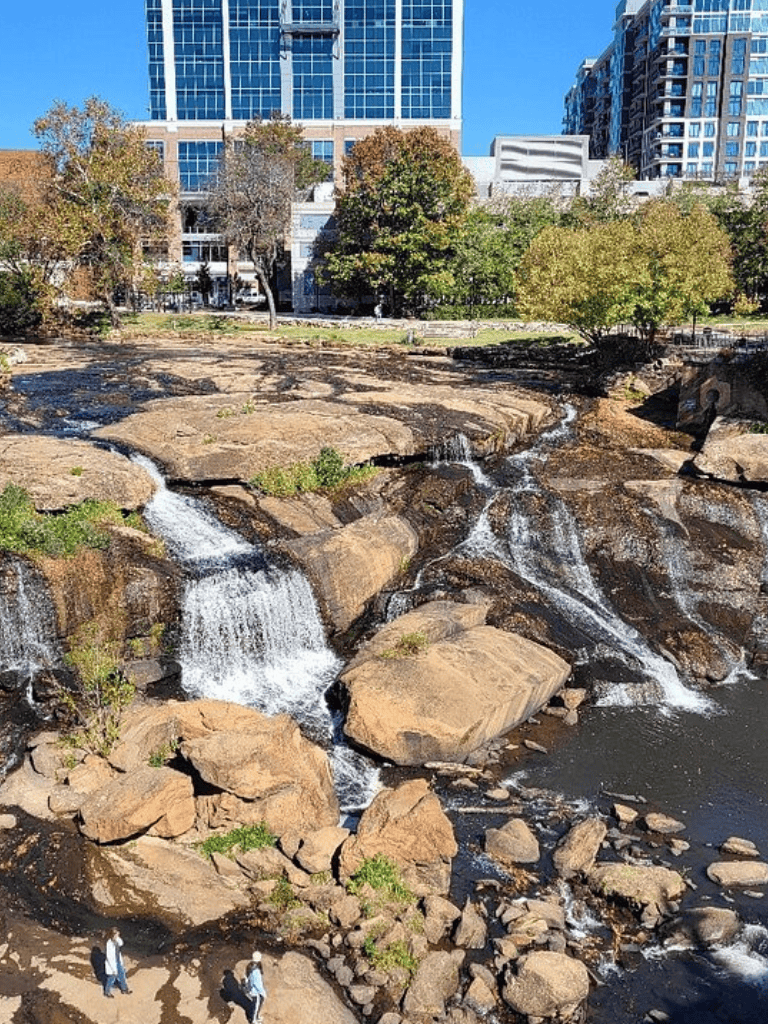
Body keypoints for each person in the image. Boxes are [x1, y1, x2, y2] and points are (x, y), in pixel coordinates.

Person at [104, 928, 131, 997]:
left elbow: (121, 943)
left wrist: (118, 938)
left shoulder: (116, 941)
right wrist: (113, 969)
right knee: (112, 978)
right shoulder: (109, 944)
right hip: (112, 964)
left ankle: (124, 989)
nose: (118, 936)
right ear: (113, 935)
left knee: (122, 974)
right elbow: (109, 958)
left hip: (118, 961)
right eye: (116, 935)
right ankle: (107, 992)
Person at [243, 951, 266, 1023]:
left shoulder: (250, 966)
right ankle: (253, 1020)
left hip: (251, 989)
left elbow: (247, 978)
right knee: (255, 1006)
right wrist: (262, 991)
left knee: (256, 1004)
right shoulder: (256, 970)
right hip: (255, 991)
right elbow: (257, 983)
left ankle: (256, 1017)